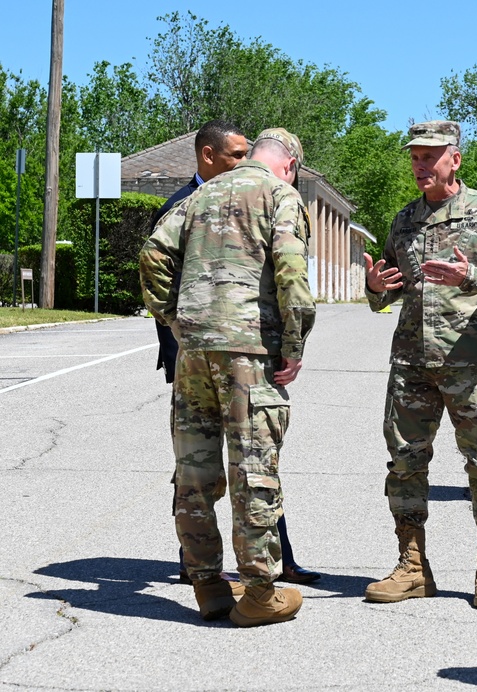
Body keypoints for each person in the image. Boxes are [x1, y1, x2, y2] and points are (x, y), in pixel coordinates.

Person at [140, 127, 315, 627]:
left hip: (194, 350)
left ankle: (209, 587)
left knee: (195, 473)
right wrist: (294, 345)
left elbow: (152, 254)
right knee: (252, 468)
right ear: (290, 164)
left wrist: (176, 318)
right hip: (248, 351)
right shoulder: (280, 195)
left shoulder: (202, 193)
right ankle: (260, 592)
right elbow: (291, 273)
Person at [363, 120, 477, 609]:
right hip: (412, 363)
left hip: (474, 363)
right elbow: (390, 288)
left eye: (430, 156)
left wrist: (472, 275)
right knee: (405, 463)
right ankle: (412, 566)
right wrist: (376, 288)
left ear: (454, 159)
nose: (420, 165)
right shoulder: (404, 220)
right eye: (414, 156)